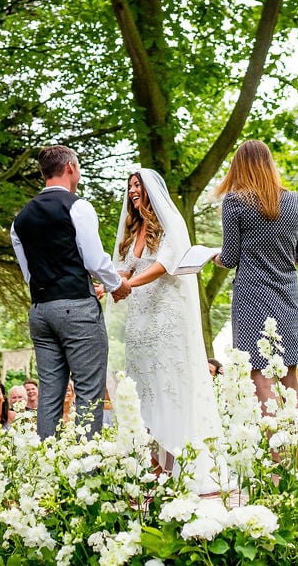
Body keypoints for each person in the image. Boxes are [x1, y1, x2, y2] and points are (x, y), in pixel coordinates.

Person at [11, 145, 131, 439]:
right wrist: (117, 285)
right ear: (70, 169)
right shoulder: (77, 206)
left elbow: (28, 272)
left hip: (41, 311)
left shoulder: (20, 219)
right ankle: (85, 475)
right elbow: (93, 259)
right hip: (76, 307)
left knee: (49, 392)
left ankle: (47, 468)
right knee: (89, 390)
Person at [112, 167, 222, 471]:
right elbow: (123, 268)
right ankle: (150, 465)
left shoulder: (171, 223)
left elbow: (163, 265)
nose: (133, 191)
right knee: (143, 389)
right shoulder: (131, 230)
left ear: (150, 189)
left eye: (138, 185)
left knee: (167, 387)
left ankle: (175, 465)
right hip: (138, 321)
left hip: (166, 317)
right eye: (130, 186)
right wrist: (109, 284)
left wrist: (126, 285)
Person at [214, 140, 298, 467]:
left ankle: (277, 468)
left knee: (261, 384)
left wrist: (212, 257)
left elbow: (228, 258)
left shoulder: (235, 203)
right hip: (288, 297)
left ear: (238, 167)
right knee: (291, 384)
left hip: (252, 299)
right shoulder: (293, 200)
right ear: (269, 164)